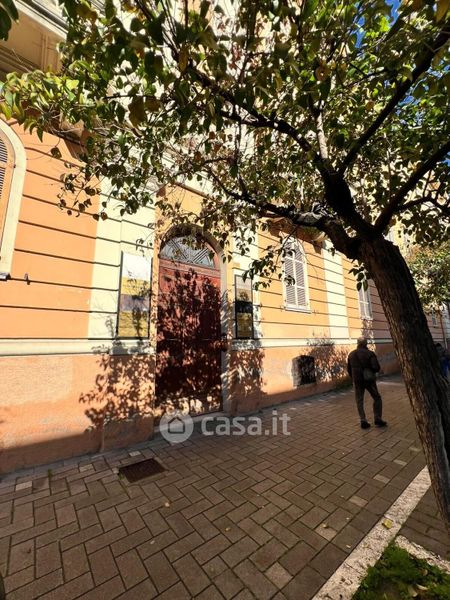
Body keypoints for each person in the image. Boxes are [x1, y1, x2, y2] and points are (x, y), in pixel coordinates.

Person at [347, 337, 387, 429]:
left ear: (357, 343)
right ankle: (377, 418)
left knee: (359, 400)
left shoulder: (351, 354)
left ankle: (363, 420)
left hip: (357, 381)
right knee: (377, 398)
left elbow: (349, 369)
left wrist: (354, 378)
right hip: (369, 380)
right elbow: (376, 367)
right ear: (366, 343)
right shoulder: (370, 354)